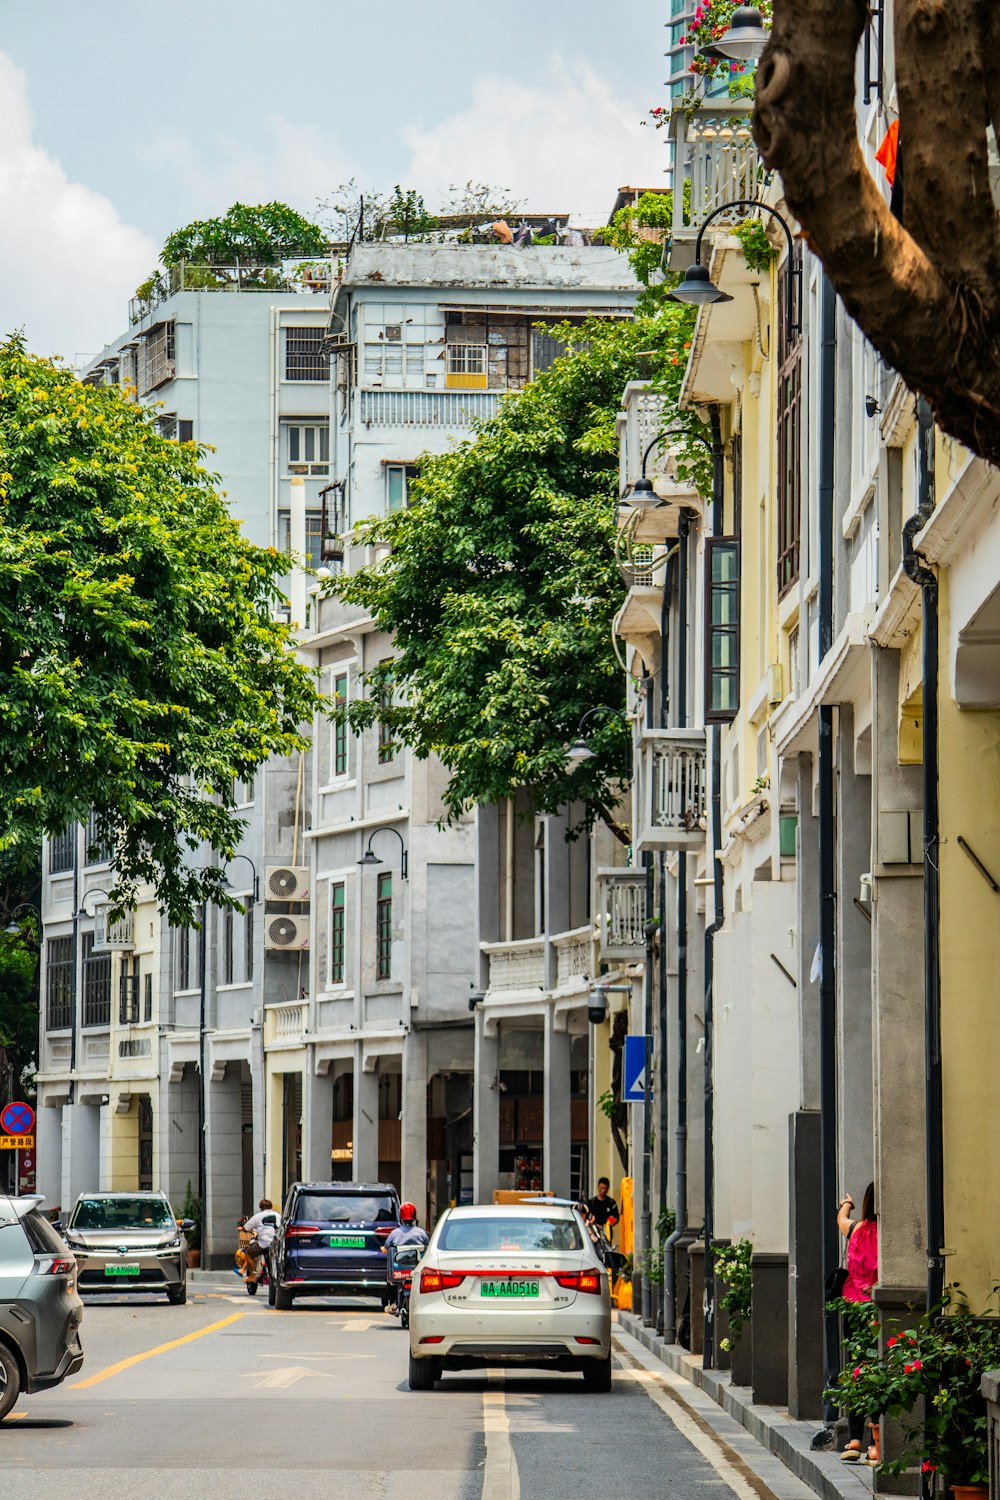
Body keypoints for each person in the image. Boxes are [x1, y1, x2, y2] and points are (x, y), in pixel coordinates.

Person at [838, 1182, 880, 1465]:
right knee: (879, 1371)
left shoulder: (856, 1229)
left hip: (853, 1308)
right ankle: (876, 1443)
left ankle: (854, 1440)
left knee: (856, 1368)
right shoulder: (891, 1237)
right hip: (877, 1311)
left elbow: (841, 1219)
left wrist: (847, 1204)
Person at [380, 1202, 429, 1313]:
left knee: (390, 1280)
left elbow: (386, 1248)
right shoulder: (421, 1233)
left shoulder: (395, 1233)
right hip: (417, 1269)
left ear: (401, 1217)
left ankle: (392, 1303)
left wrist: (382, 1249)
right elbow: (428, 1246)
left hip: (399, 1270)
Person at [242, 1197, 280, 1278]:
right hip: (276, 1243)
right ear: (271, 1206)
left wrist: (242, 1228)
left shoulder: (258, 1216)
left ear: (261, 1207)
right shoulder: (278, 1215)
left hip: (264, 1243)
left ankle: (253, 1275)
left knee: (248, 1253)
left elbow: (246, 1228)